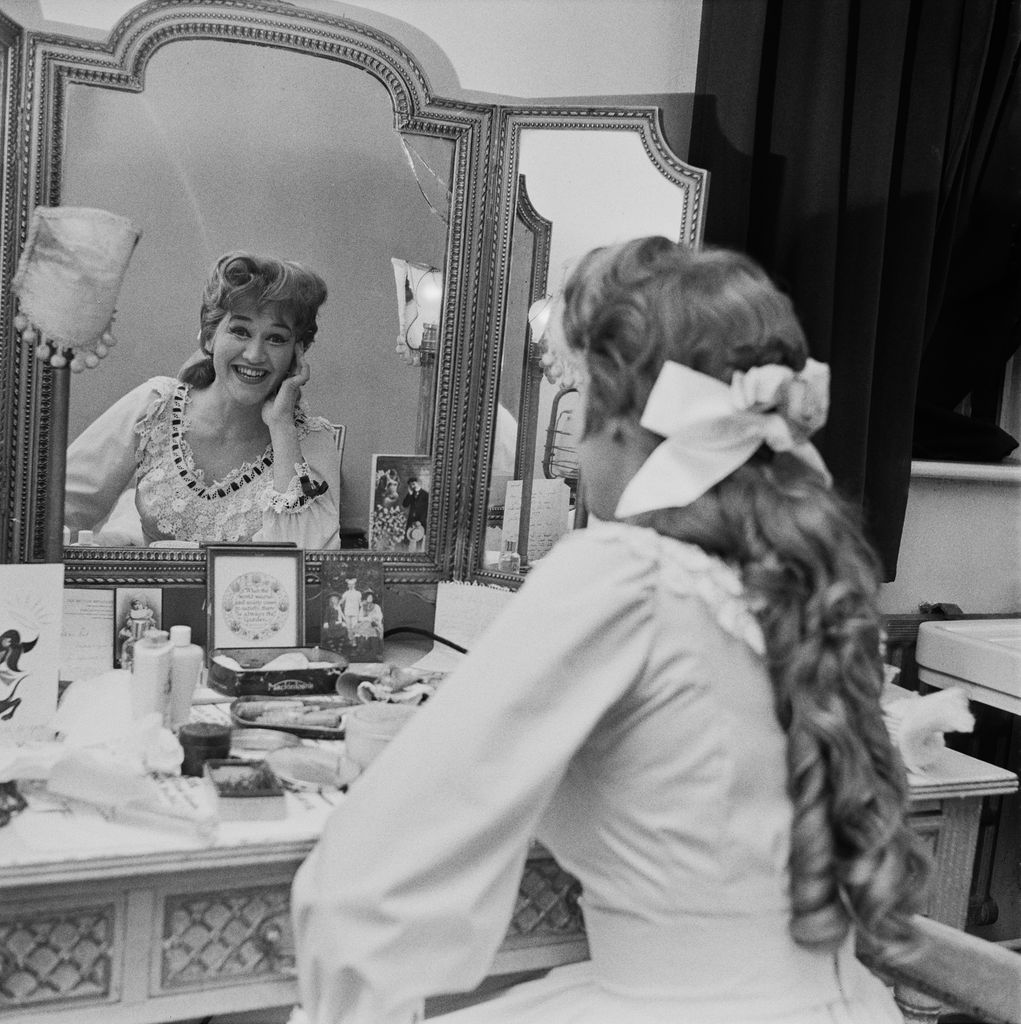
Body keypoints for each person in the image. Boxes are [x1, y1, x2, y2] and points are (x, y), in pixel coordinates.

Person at [290, 238, 930, 1024]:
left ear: (624, 424)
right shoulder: (806, 579)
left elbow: (373, 873)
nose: (573, 441)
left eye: (577, 399)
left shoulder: (626, 575)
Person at [64, 252, 342, 548]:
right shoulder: (156, 406)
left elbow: (307, 563)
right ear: (210, 337)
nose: (255, 355)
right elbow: (57, 504)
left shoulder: (309, 440)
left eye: (276, 339)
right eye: (240, 331)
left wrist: (281, 425)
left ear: (297, 353)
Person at [402, 476, 429, 551]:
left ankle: (418, 553)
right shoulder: (411, 494)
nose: (412, 486)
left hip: (421, 520)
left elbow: (427, 510)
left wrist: (420, 521)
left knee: (419, 539)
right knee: (407, 538)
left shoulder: (426, 495)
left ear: (418, 483)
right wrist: (409, 494)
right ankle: (404, 553)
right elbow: (405, 505)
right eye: (410, 485)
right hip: (411, 520)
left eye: (413, 484)